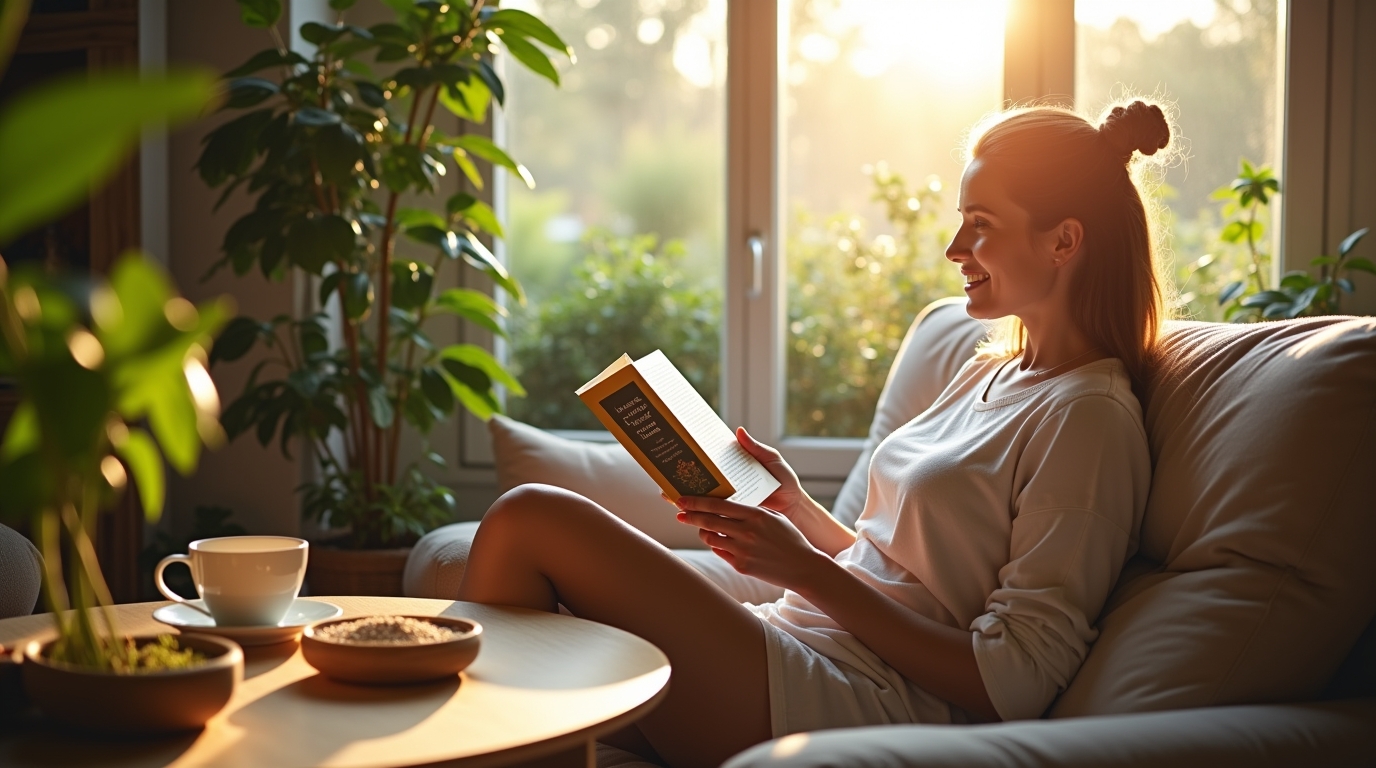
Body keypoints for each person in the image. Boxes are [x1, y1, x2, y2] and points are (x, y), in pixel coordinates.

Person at [457, 100, 1172, 768]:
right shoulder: (988, 371)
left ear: (1064, 242)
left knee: (530, 519)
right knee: (538, 608)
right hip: (804, 641)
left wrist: (804, 569)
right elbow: (906, 574)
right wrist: (798, 513)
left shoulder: (1089, 420)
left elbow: (1012, 681)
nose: (955, 246)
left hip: (861, 699)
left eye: (981, 223)